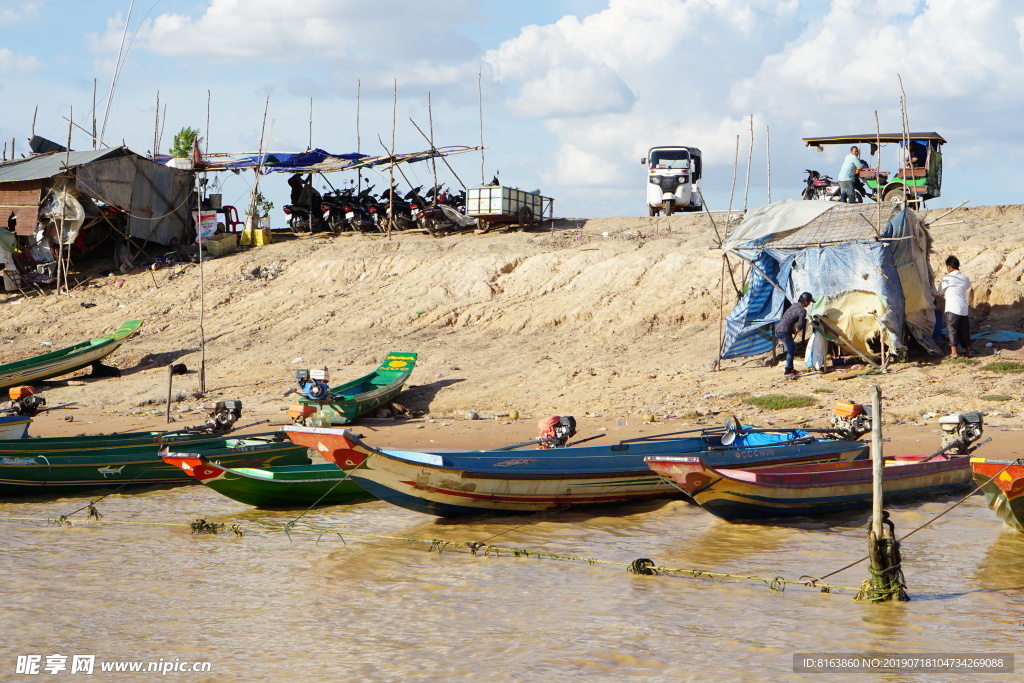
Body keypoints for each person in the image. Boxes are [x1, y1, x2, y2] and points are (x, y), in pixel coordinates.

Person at [777, 292, 815, 378]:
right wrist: (797, 330)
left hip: (780, 329)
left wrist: (793, 330)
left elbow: (787, 319)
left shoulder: (794, 305)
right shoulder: (802, 310)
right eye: (809, 302)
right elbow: (801, 324)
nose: (809, 304)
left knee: (793, 348)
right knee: (790, 350)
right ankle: (787, 372)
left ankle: (791, 369)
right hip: (784, 331)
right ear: (805, 301)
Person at [939, 255, 972, 358]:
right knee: (964, 330)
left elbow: (939, 290)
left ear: (949, 267)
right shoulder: (965, 278)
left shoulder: (948, 278)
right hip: (963, 308)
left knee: (952, 329)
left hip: (952, 308)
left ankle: (954, 352)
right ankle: (968, 352)